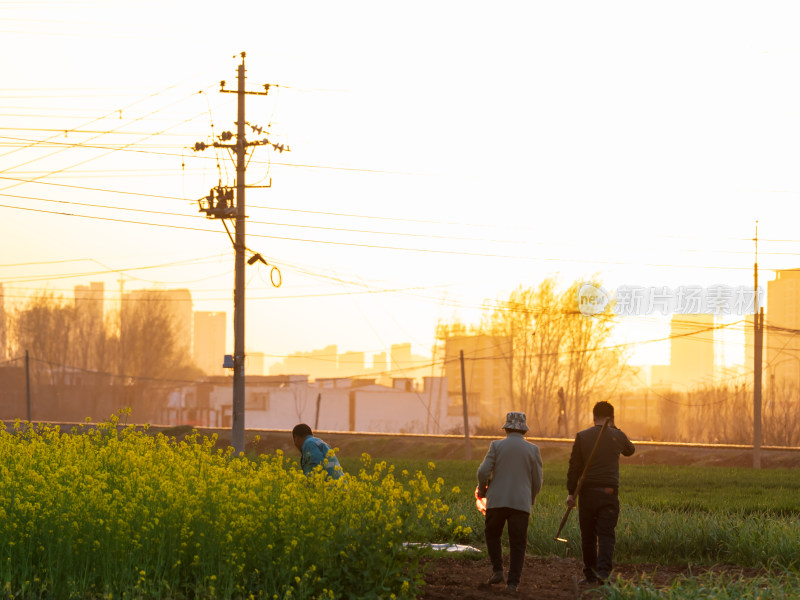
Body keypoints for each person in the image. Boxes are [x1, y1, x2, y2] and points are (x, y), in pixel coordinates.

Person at [565, 401, 635, 585]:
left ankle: (589, 575)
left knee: (587, 535)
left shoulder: (582, 436)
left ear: (593, 416)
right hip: (609, 493)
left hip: (587, 493)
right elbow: (630, 450)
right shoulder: (618, 436)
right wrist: (615, 428)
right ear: (611, 417)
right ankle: (604, 574)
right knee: (606, 535)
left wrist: (571, 493)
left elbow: (574, 467)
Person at [477, 411, 543, 593]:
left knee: (492, 535)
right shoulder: (533, 450)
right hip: (520, 504)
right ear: (524, 430)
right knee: (518, 543)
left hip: (497, 501)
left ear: (506, 428)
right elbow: (537, 481)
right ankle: (512, 583)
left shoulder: (496, 446)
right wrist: (530, 498)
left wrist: (482, 490)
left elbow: (483, 472)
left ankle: (497, 570)